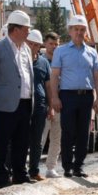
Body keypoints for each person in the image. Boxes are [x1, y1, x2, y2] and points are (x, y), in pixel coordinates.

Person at [49, 15, 98, 178]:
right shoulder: (61, 51)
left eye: (82, 30)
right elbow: (54, 76)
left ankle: (79, 166)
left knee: (83, 133)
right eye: (76, 29)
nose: (79, 32)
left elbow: (97, 77)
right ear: (70, 31)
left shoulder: (92, 53)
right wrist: (55, 98)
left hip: (86, 96)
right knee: (68, 131)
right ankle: (67, 167)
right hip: (67, 96)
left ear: (85, 32)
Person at [0, 11, 34, 188]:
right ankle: (2, 179)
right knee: (1, 143)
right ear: (16, 29)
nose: (28, 33)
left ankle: (20, 175)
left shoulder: (27, 49)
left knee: (22, 143)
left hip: (25, 103)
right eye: (26, 29)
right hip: (5, 106)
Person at [26, 29, 51, 181]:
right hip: (23, 105)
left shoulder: (44, 62)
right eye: (31, 44)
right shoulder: (20, 58)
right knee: (20, 140)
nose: (33, 48)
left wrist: (51, 107)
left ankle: (34, 171)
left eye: (36, 45)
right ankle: (14, 171)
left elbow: (48, 86)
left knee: (37, 141)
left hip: (40, 106)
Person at [38, 32, 62, 178]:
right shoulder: (40, 61)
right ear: (45, 44)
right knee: (41, 137)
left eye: (56, 44)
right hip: (45, 105)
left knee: (57, 137)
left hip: (59, 103)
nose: (54, 46)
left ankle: (51, 168)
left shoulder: (62, 61)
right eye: (51, 44)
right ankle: (34, 166)